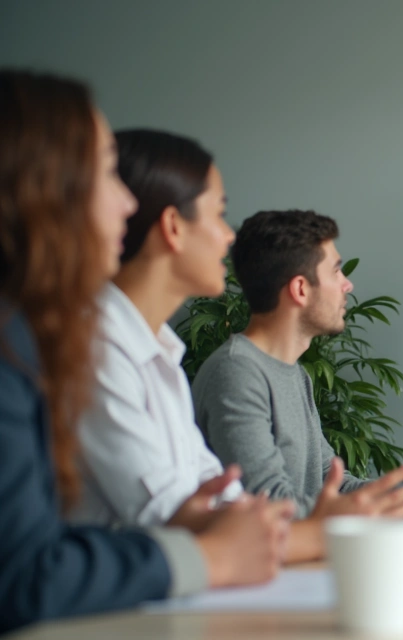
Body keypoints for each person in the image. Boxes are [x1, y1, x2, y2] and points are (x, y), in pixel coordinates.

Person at [0, 70, 290, 633]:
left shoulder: (34, 338)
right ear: (41, 184)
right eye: (105, 170)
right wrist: (210, 555)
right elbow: (22, 576)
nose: (125, 202)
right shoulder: (35, 345)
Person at [70, 129, 403, 562]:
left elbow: (222, 494)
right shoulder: (109, 351)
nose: (229, 237)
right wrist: (341, 525)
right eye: (219, 214)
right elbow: (174, 515)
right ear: (173, 226)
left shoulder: (163, 353)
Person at [193, 208, 403, 518]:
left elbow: (327, 483)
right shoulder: (236, 373)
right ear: (300, 289)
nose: (348, 285)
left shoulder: (295, 374)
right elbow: (268, 506)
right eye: (336, 271)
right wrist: (383, 505)